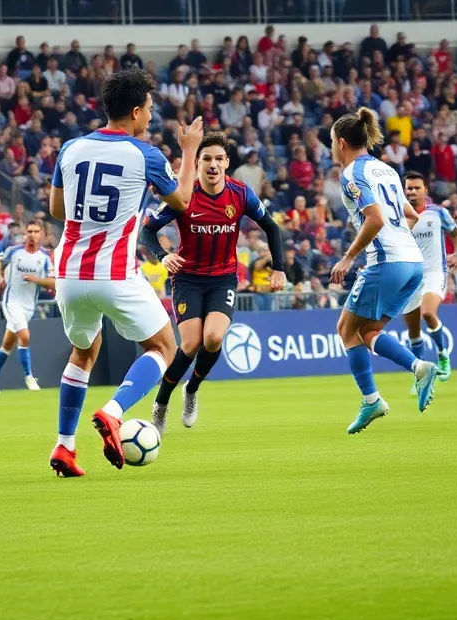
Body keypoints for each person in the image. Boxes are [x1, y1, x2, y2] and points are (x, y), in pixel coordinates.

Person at [47, 70, 202, 477]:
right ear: (134, 112)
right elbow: (183, 201)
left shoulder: (71, 148)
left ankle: (65, 446)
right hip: (114, 271)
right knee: (165, 348)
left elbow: (57, 210)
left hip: (68, 272)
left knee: (83, 352)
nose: (151, 116)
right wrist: (189, 152)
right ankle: (114, 412)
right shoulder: (145, 155)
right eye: (148, 109)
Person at [141, 132, 285, 435]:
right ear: (197, 163)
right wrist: (163, 255)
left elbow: (271, 228)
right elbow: (148, 230)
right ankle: (161, 403)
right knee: (190, 344)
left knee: (213, 338)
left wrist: (279, 269)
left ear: (227, 163)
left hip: (223, 278)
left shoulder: (240, 193)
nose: (213, 164)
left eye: (219, 158)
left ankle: (191, 389)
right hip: (188, 279)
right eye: (207, 158)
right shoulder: (183, 195)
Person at [327, 108, 438, 434]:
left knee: (346, 329)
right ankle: (417, 367)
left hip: (387, 262)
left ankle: (372, 399)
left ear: (341, 142)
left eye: (331, 141)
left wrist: (348, 257)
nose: (331, 147)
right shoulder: (387, 170)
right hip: (412, 263)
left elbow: (375, 219)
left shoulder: (350, 174)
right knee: (367, 332)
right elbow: (411, 215)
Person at [400, 172, 457, 390]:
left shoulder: (437, 213)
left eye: (416, 188)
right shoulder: (397, 216)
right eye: (408, 188)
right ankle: (420, 376)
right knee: (413, 330)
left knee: (427, 313)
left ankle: (442, 355)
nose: (412, 192)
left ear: (425, 190)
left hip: (434, 272)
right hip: (409, 277)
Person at [0, 220, 52, 394]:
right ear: (25, 233)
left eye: (36, 231)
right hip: (11, 301)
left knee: (8, 344)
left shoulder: (45, 258)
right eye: (29, 231)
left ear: (41, 234)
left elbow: (53, 282)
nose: (32, 235)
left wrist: (37, 280)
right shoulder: (13, 251)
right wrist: (0, 279)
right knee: (24, 336)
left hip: (29, 306)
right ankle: (29, 376)